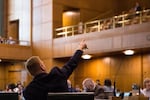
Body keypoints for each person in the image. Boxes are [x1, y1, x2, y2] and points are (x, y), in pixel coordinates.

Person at [23, 40, 87, 100]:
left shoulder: (28, 91)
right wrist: (80, 48)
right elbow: (71, 64)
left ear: (31, 73)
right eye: (43, 63)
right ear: (42, 67)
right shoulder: (57, 75)